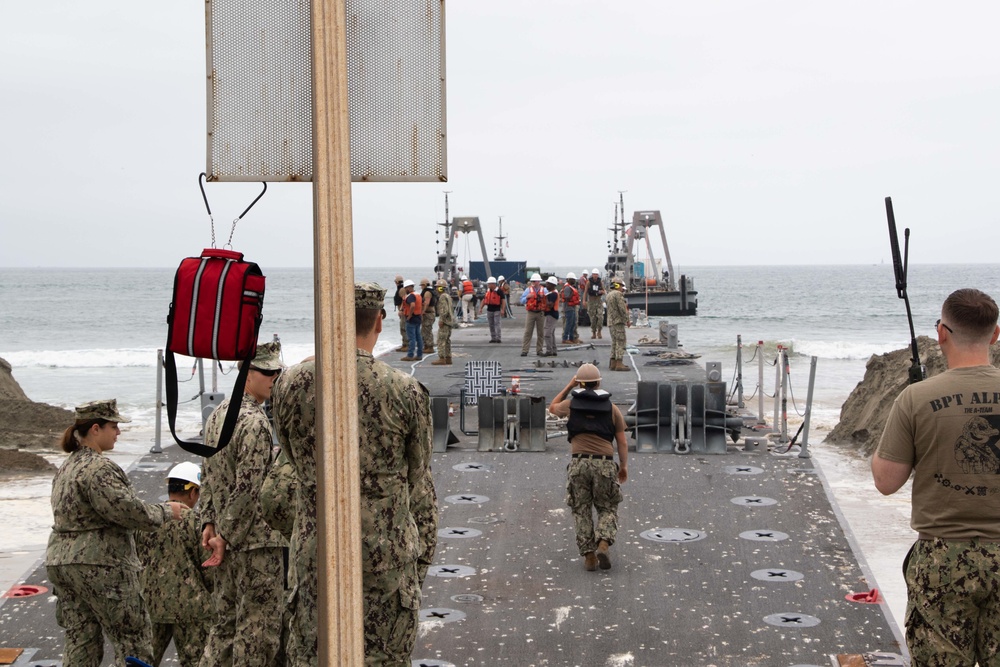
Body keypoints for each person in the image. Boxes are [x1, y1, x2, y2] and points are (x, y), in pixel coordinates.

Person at [272, 283, 438, 665]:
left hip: (317, 555)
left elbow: (292, 460)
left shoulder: (291, 385)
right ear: (379, 322)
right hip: (386, 559)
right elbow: (417, 471)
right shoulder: (405, 391)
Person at [871, 288, 1000, 666]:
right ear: (995, 334)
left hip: (943, 558)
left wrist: (906, 426)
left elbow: (886, 481)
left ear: (941, 333)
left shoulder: (917, 398)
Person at [47, 399, 183, 666]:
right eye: (114, 426)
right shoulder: (99, 468)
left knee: (80, 639)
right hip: (100, 564)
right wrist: (168, 511)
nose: (118, 432)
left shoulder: (67, 466)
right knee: (132, 639)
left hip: (61, 562)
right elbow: (129, 512)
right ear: (95, 429)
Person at [199, 341, 287, 667]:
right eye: (268, 372)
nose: (275, 378)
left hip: (226, 540)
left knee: (223, 626)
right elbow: (249, 489)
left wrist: (209, 524)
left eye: (278, 371)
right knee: (257, 634)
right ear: (248, 374)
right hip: (256, 544)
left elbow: (207, 475)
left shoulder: (218, 414)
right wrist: (225, 535)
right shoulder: (255, 423)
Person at [548, 364, 628, 571]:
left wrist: (569, 385)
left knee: (581, 509)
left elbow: (552, 407)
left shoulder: (571, 405)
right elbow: (622, 442)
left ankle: (589, 556)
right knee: (607, 506)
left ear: (580, 383)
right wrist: (624, 467)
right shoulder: (612, 408)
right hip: (605, 463)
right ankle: (603, 542)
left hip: (579, 463)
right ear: (599, 382)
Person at [136, 462, 213, 667]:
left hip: (151, 605)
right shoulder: (198, 522)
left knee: (143, 661)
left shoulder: (148, 519)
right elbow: (208, 567)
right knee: (196, 662)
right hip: (192, 608)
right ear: (193, 492)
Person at [520, 273, 547, 357]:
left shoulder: (544, 290)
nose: (534, 283)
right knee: (528, 332)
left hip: (540, 313)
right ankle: (525, 350)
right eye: (533, 281)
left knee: (541, 332)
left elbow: (548, 300)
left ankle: (539, 350)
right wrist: (527, 297)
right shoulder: (528, 290)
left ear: (539, 282)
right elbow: (521, 300)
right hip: (531, 313)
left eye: (535, 281)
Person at [606, 279, 630, 371]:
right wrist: (627, 320)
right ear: (617, 285)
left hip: (611, 322)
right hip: (618, 322)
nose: (622, 289)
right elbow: (622, 309)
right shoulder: (618, 294)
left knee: (614, 342)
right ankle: (619, 363)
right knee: (620, 341)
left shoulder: (609, 294)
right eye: (621, 287)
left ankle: (613, 363)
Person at [432, 278, 455, 366]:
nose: (437, 289)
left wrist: (441, 320)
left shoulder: (442, 297)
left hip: (445, 322)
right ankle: (448, 358)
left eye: (438, 287)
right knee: (447, 340)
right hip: (450, 322)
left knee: (441, 340)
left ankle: (441, 358)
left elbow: (444, 310)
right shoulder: (448, 296)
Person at [400, 279, 424, 362]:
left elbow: (412, 305)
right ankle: (419, 355)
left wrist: (409, 316)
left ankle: (410, 355)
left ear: (409, 288)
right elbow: (422, 305)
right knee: (418, 337)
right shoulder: (418, 295)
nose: (405, 290)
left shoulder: (411, 296)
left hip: (412, 318)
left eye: (405, 288)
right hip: (418, 317)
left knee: (412, 338)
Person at [478, 276, 503, 343]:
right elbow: (484, 300)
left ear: (493, 284)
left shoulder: (499, 291)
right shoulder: (488, 291)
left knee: (497, 323)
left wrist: (503, 309)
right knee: (491, 324)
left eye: (489, 284)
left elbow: (503, 301)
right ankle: (493, 338)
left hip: (497, 309)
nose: (488, 285)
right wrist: (480, 308)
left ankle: (498, 338)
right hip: (489, 310)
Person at [542, 275, 561, 357]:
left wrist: (543, 299)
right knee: (551, 333)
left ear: (552, 285)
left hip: (551, 315)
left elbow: (550, 305)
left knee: (547, 333)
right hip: (553, 315)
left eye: (548, 283)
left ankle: (549, 350)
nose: (546, 285)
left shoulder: (553, 294)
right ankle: (553, 350)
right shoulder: (553, 293)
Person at [561, 272, 581, 345]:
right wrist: (572, 295)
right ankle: (565, 338)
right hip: (568, 308)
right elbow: (566, 298)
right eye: (573, 279)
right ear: (569, 279)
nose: (574, 281)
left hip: (572, 307)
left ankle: (571, 338)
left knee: (572, 323)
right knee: (568, 324)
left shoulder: (571, 287)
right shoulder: (567, 288)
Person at [419, 277, 437, 355]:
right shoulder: (431, 291)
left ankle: (430, 346)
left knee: (427, 330)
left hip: (428, 313)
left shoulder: (427, 293)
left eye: (422, 285)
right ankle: (426, 346)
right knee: (425, 330)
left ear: (425, 285)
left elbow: (426, 302)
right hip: (430, 312)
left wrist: (423, 311)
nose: (421, 287)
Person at [587, 269, 605, 339]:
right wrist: (584, 301)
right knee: (593, 318)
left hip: (598, 301)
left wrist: (601, 292)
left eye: (596, 274)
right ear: (592, 274)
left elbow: (604, 291)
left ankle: (599, 331)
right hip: (591, 301)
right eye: (594, 274)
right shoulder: (589, 282)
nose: (595, 276)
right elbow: (586, 291)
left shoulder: (600, 282)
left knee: (600, 317)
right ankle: (594, 332)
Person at [393, 275, 408, 353]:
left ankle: (406, 344)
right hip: (402, 310)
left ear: (397, 282)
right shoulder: (401, 288)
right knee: (402, 328)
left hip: (403, 311)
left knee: (403, 328)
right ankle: (404, 344)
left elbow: (404, 300)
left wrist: (401, 310)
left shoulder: (402, 289)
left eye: (395, 282)